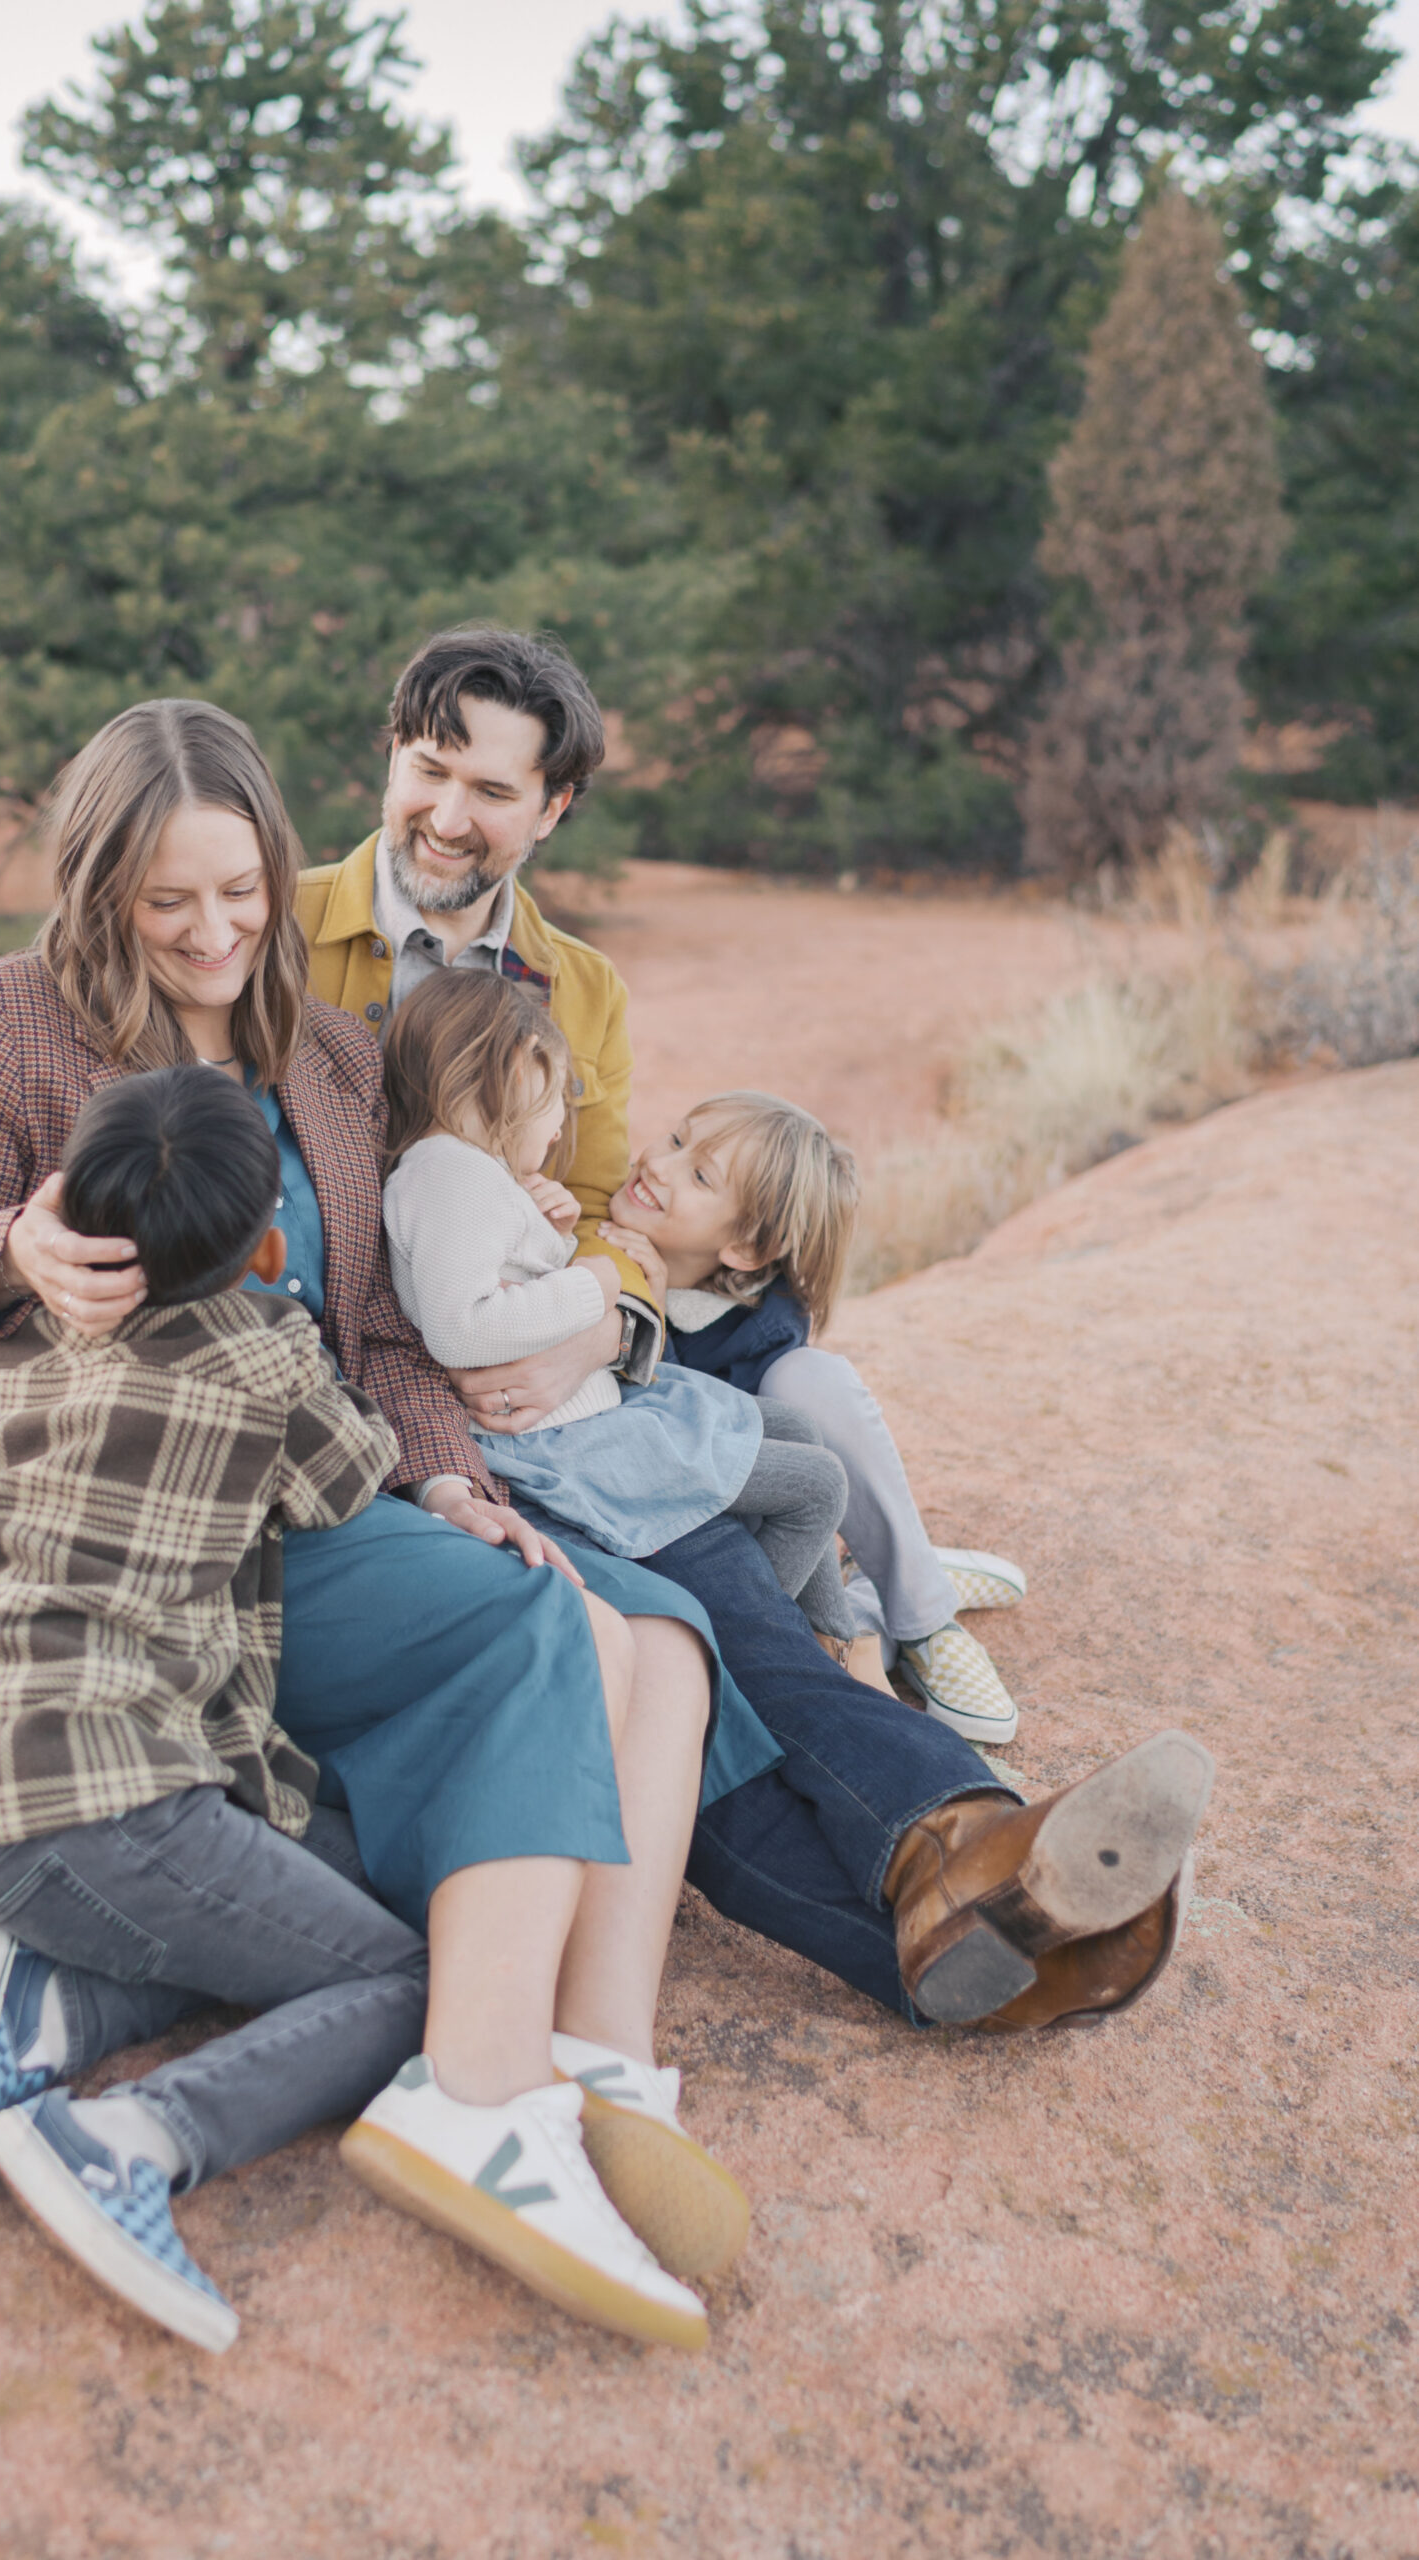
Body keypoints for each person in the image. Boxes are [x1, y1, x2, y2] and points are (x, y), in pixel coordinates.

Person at [0, 696, 783, 2347]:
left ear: (282, 876)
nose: (214, 936)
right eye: (168, 902)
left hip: (328, 1487)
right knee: (534, 1627)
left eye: (244, 893)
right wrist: (11, 1258)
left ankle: (572, 2063)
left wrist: (442, 1478)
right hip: (154, 1521)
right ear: (94, 891)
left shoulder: (333, 1056)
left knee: (641, 1630)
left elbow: (388, 1340)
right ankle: (484, 2090)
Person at [296, 623, 1215, 2032]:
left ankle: (948, 1920)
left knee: (708, 1649)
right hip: (374, 1419)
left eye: (494, 792)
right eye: (431, 770)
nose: (448, 814)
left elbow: (608, 1212)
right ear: (391, 753)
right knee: (705, 1628)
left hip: (551, 1393)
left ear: (551, 812)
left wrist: (598, 1310)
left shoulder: (579, 992)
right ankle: (952, 1850)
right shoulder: (280, 933)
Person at [0, 1063, 411, 2351]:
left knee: (331, 1864)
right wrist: (283, 1314)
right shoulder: (264, 1352)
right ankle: (126, 2140)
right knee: (404, 1976)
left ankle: (46, 1998)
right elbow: (353, 1478)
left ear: (59, 1203)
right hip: (93, 1796)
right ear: (262, 1243)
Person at [379, 967, 853, 1628]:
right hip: (559, 1440)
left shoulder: (468, 1176)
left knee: (798, 1431)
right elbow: (465, 1323)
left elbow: (492, 1272)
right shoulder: (450, 1176)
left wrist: (548, 1235)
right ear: (504, 1089)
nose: (559, 1128)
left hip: (588, 1413)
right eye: (555, 1101)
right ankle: (782, 1634)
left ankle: (826, 1628)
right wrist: (596, 1283)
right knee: (818, 1486)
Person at [626, 1088, 1024, 1743]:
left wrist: (660, 1305)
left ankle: (925, 1618)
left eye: (699, 1175)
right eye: (675, 1139)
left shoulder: (761, 1332)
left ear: (749, 1250)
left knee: (811, 1378)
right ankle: (892, 1585)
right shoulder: (596, 1240)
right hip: (679, 1543)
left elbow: (711, 1432)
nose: (658, 1165)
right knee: (791, 1649)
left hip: (768, 1533)